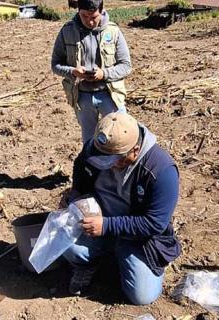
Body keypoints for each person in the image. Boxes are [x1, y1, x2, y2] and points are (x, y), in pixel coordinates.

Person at [61, 112, 181, 305]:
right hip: (99, 219)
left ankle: (121, 253)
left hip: (138, 237)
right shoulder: (97, 148)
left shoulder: (161, 170)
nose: (107, 165)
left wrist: (107, 226)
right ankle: (94, 261)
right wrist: (75, 199)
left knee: (142, 296)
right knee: (64, 245)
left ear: (134, 150)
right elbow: (81, 175)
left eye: (114, 160)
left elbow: (155, 223)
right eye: (102, 158)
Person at [51, 0, 132, 143]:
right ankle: (94, 167)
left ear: (101, 10)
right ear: (78, 10)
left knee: (121, 138)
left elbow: (126, 65)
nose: (89, 21)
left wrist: (104, 74)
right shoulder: (67, 31)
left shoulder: (113, 32)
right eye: (84, 16)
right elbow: (55, 64)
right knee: (89, 142)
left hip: (109, 95)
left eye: (94, 17)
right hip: (82, 98)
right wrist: (73, 71)